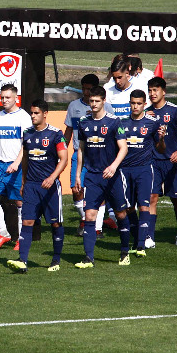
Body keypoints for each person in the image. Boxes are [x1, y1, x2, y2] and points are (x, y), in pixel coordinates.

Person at [7, 99, 69, 273]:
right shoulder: (27, 134)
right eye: (31, 113)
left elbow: (63, 159)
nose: (33, 116)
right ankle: (23, 261)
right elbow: (25, 159)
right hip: (31, 186)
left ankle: (56, 260)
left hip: (50, 187)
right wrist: (24, 181)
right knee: (27, 221)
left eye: (36, 113)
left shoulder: (56, 134)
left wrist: (52, 178)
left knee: (55, 224)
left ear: (45, 114)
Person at [74, 87, 131, 268]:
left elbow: (124, 148)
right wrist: (78, 174)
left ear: (104, 101)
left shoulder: (114, 122)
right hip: (92, 176)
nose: (94, 104)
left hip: (112, 177)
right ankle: (88, 257)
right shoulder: (83, 122)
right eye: (91, 101)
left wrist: (113, 167)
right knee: (89, 215)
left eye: (97, 101)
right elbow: (81, 148)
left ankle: (124, 251)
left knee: (121, 214)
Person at [146, 76, 177, 246]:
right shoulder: (147, 113)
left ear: (164, 91)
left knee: (175, 198)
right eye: (150, 90)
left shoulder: (175, 111)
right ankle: (149, 236)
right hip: (153, 162)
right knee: (152, 197)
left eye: (155, 90)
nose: (152, 94)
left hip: (171, 162)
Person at [120, 89, 165, 253]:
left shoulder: (152, 123)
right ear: (129, 103)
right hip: (125, 170)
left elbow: (160, 149)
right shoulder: (122, 123)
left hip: (145, 169)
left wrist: (161, 139)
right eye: (133, 103)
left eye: (139, 103)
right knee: (129, 207)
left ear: (144, 105)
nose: (135, 106)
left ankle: (140, 245)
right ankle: (138, 238)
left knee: (144, 205)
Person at [0, 85, 32, 249]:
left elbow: (26, 144)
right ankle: (4, 234)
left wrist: (16, 163)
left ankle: (20, 240)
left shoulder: (23, 117)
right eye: (2, 97)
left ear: (16, 98)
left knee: (19, 202)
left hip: (17, 165)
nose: (4, 100)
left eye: (8, 97)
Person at [64, 75, 108, 237]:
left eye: (89, 89)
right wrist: (62, 150)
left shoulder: (106, 108)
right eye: (84, 88)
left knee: (100, 191)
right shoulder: (73, 106)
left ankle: (97, 228)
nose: (86, 92)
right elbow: (68, 130)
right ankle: (85, 219)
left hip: (100, 155)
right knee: (76, 190)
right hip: (79, 153)